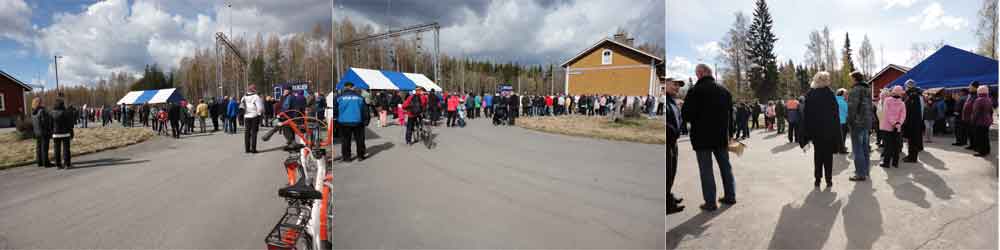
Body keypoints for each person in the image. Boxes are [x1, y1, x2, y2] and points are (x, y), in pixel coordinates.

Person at [680, 64, 735, 211]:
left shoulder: (695, 91)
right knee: (725, 167)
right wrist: (730, 134)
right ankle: (730, 195)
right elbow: (731, 116)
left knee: (706, 170)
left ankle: (710, 202)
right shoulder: (725, 91)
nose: (696, 75)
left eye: (696, 73)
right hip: (721, 137)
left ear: (701, 73)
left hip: (701, 137)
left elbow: (686, 115)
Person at [799, 72, 842, 188]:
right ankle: (829, 180)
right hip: (828, 131)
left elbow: (806, 116)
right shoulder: (830, 94)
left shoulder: (810, 94)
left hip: (816, 132)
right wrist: (837, 133)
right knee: (828, 156)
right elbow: (835, 115)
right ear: (827, 81)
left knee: (818, 155)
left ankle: (817, 179)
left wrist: (806, 133)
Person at [846, 71, 874, 181]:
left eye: (851, 78)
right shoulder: (867, 89)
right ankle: (865, 171)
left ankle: (860, 173)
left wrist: (850, 122)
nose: (850, 81)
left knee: (858, 149)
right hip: (866, 123)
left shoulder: (855, 90)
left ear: (854, 79)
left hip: (857, 124)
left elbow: (852, 108)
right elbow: (870, 107)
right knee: (865, 148)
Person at [332, 82, 370, 161]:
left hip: (343, 122)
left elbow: (335, 110)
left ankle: (347, 157)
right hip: (358, 122)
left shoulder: (339, 98)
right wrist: (366, 120)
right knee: (360, 140)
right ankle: (360, 156)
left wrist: (336, 119)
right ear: (353, 88)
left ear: (344, 87)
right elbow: (365, 110)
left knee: (345, 140)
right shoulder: (360, 97)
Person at [664, 79, 685, 215]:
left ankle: (668, 196)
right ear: (666, 82)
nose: (677, 87)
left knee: (671, 172)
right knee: (667, 173)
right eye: (675, 84)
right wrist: (673, 132)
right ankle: (667, 204)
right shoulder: (666, 101)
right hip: (668, 142)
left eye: (679, 86)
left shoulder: (672, 101)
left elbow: (678, 119)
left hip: (673, 142)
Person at [880, 86, 907, 168]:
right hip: (897, 127)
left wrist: (893, 122)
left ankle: (886, 163)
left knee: (887, 145)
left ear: (893, 92)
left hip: (887, 127)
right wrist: (898, 123)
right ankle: (895, 163)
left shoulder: (887, 100)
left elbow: (887, 113)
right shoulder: (902, 103)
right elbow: (903, 115)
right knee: (896, 145)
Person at [901, 80, 924, 163]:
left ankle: (912, 158)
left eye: (906, 86)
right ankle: (911, 155)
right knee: (911, 140)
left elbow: (911, 110)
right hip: (914, 121)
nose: (905, 88)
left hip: (913, 122)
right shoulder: (914, 95)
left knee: (913, 140)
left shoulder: (913, 96)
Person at [50, 100, 74, 169]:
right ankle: (67, 164)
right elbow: (69, 124)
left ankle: (58, 164)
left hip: (55, 133)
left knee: (56, 149)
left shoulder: (51, 113)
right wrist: (71, 132)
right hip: (65, 133)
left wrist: (51, 132)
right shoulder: (66, 113)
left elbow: (50, 124)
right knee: (66, 149)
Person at [241, 85, 265, 153]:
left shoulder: (244, 97)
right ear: (254, 90)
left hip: (246, 116)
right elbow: (260, 108)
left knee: (247, 133)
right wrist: (259, 114)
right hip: (254, 116)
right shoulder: (256, 97)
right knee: (254, 133)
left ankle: (247, 149)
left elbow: (241, 106)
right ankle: (253, 149)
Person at [971, 86, 993, 157]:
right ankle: (987, 150)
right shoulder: (988, 99)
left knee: (980, 137)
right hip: (987, 120)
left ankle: (982, 152)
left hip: (980, 121)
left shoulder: (978, 100)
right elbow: (991, 111)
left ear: (979, 92)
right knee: (985, 136)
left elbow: (975, 112)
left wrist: (973, 121)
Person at [31, 98, 53, 168]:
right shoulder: (42, 111)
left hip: (37, 132)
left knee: (39, 148)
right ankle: (46, 163)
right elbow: (45, 122)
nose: (43, 103)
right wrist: (49, 129)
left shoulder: (33, 111)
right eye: (41, 102)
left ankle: (39, 162)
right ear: (39, 103)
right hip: (44, 132)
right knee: (44, 148)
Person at [962, 82, 981, 150]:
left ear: (975, 88)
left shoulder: (977, 95)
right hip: (967, 117)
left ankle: (975, 146)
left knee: (974, 133)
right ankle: (972, 145)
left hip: (972, 118)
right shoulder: (970, 95)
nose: (969, 88)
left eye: (970, 87)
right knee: (969, 133)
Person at [835, 88, 849, 154]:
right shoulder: (843, 101)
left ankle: (838, 148)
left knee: (837, 136)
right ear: (842, 94)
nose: (847, 95)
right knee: (843, 136)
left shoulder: (835, 100)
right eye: (846, 94)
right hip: (842, 121)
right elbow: (847, 111)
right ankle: (842, 149)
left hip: (836, 121)